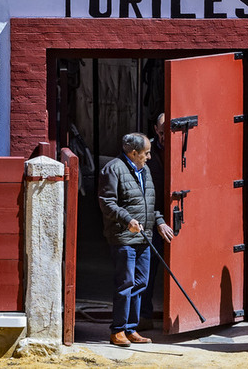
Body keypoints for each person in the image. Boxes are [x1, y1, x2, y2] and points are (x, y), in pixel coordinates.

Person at [98, 132, 175, 347]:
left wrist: (158, 221)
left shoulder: (145, 170)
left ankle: (131, 328)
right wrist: (128, 220)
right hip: (124, 237)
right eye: (146, 153)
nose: (149, 157)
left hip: (144, 236)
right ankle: (118, 330)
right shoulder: (113, 169)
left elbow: (149, 204)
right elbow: (107, 203)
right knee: (126, 283)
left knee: (141, 282)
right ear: (133, 153)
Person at [139, 114, 166, 329]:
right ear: (156, 129)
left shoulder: (186, 148)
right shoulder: (147, 153)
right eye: (162, 131)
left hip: (180, 214)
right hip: (153, 216)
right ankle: (144, 316)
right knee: (148, 267)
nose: (165, 136)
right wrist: (157, 218)